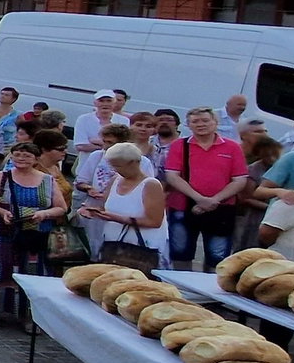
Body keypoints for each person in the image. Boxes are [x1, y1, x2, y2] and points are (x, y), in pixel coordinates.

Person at [0, 142, 67, 328]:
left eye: (26, 156)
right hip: (5, 231)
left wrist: (44, 214)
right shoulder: (2, 177)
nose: (21, 159)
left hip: (35, 234)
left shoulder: (47, 180)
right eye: (17, 155)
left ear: (36, 159)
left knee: (32, 272)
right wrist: (1, 213)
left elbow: (61, 207)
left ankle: (29, 316)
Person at [162, 107, 248, 271]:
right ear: (188, 125)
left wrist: (214, 200)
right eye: (195, 121)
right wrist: (199, 198)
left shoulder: (232, 147)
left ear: (215, 123)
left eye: (205, 120)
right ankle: (181, 287)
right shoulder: (179, 146)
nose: (201, 124)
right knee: (180, 252)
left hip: (222, 209)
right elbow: (172, 176)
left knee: (218, 256)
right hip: (182, 208)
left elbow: (239, 180)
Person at [81, 140, 170, 268]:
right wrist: (91, 211)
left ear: (134, 162)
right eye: (112, 165)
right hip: (113, 245)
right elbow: (105, 207)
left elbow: (154, 221)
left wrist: (116, 218)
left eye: (118, 166)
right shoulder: (115, 180)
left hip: (142, 248)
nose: (114, 169)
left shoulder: (151, 185)